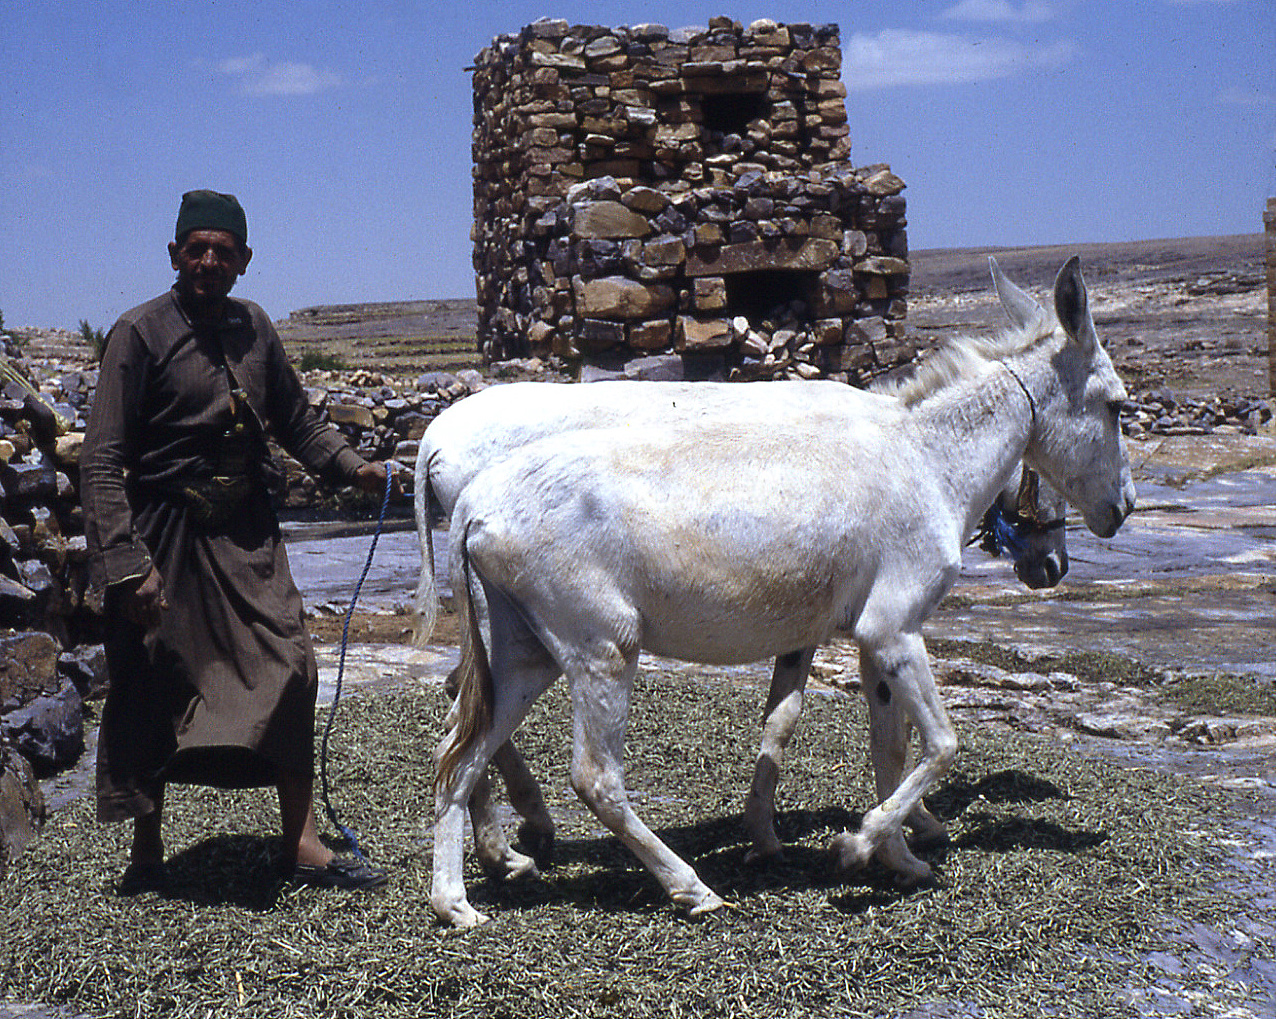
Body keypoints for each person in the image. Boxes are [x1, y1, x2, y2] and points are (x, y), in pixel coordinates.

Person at [81, 190, 393, 894]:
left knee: (292, 664)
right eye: (197, 249)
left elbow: (297, 419)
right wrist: (128, 566)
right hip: (163, 536)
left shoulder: (255, 328)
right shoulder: (138, 333)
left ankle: (302, 841)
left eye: (224, 251)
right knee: (155, 676)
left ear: (245, 261)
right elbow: (100, 460)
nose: (209, 261)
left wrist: (353, 468)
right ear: (174, 254)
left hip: (247, 535)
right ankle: (148, 848)